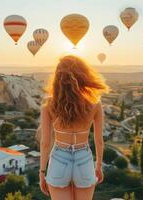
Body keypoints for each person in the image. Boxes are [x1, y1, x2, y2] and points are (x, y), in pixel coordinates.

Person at [39, 55, 109, 200]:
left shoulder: (49, 105)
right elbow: (99, 141)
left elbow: (45, 143)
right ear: (83, 76)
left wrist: (42, 173)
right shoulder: (95, 103)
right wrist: (99, 166)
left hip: (59, 158)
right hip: (84, 157)